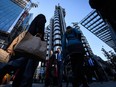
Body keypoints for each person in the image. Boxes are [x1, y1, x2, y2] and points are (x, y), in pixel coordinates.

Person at [0, 14, 46, 87]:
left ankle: (15, 81)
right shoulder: (41, 17)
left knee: (21, 67)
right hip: (33, 48)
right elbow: (40, 27)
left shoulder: (27, 30)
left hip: (25, 47)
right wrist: (40, 36)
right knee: (28, 69)